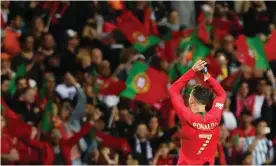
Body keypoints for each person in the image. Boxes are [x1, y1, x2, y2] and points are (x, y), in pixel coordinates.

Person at [168, 60, 226, 165]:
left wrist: (192, 71)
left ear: (192, 100)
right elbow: (221, 94)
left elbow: (173, 90)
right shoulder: (215, 117)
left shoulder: (187, 116)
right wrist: (207, 75)